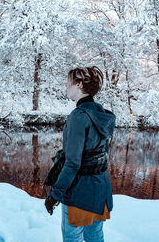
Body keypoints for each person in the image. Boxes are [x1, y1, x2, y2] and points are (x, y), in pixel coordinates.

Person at [44, 66, 116, 242]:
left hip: (80, 193)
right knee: (95, 237)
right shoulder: (101, 114)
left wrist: (55, 195)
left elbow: (73, 163)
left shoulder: (79, 116)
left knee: (72, 239)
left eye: (68, 83)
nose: (66, 87)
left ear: (79, 84)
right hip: (101, 190)